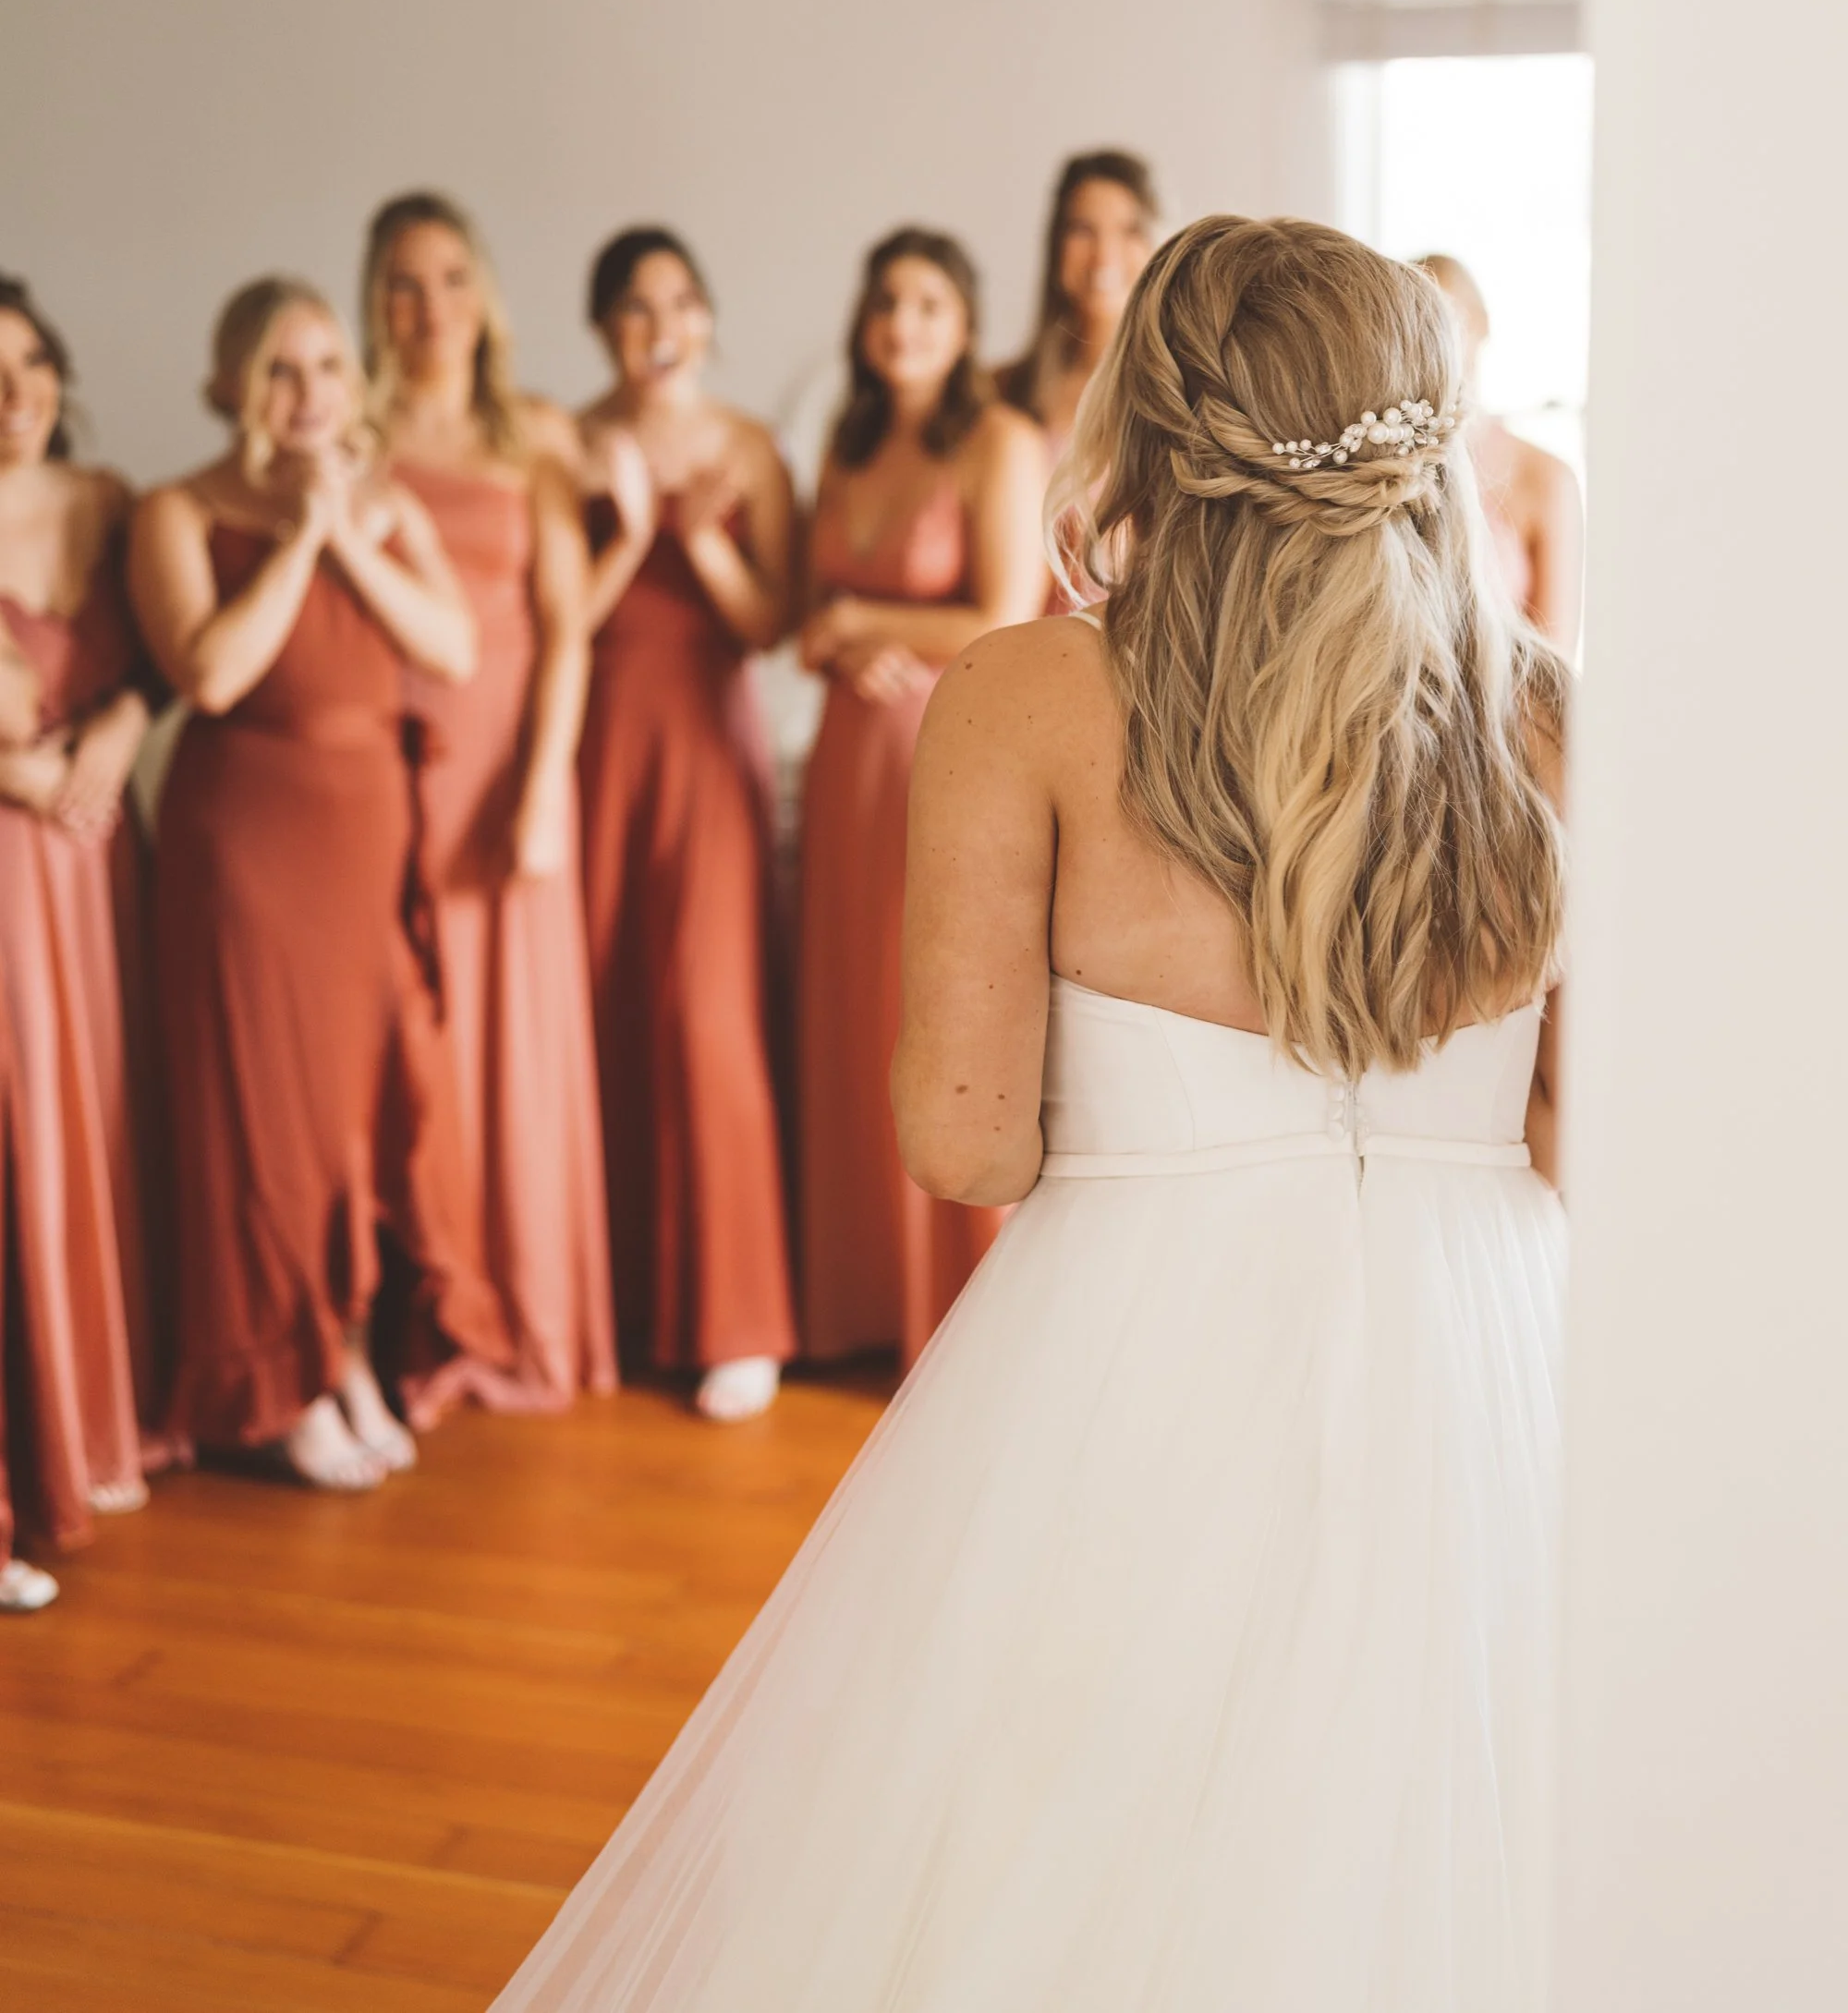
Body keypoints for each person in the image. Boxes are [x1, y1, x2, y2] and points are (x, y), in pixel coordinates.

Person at [489, 216, 1569, 2012]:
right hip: (1486, 1359)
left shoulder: (1022, 694)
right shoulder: (1548, 717)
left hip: (1142, 1365)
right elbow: (1584, 1132)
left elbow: (967, 1141)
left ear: (1151, 414)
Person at [131, 278, 508, 1491]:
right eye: (281, 371)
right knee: (268, 1120)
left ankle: (345, 1353)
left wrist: (349, 527)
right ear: (235, 385)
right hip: (245, 841)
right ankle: (276, 1378)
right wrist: (300, 534)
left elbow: (451, 650)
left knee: (355, 1120)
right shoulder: (178, 512)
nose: (309, 394)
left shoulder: (385, 506)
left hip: (368, 839)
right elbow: (215, 674)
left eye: (328, 368)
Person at [361, 192, 615, 1419]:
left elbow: (569, 629)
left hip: (508, 762)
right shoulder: (349, 435)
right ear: (374, 301)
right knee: (411, 1053)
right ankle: (428, 1315)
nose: (430, 308)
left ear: (484, 294)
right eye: (404, 284)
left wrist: (543, 786)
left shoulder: (535, 438)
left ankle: (524, 1314)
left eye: (451, 277)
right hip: (385, 764)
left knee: (511, 1046)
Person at [796, 227, 1048, 1371]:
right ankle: (859, 1298)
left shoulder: (998, 440)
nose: (903, 323)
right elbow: (810, 610)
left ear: (964, 326)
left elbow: (1003, 613)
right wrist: (836, 645)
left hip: (942, 748)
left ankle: (962, 1312)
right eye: (887, 300)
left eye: (930, 305)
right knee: (851, 1014)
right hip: (848, 750)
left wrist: (863, 625)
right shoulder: (845, 445)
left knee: (933, 1005)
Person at [577, 228, 798, 1423]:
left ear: (707, 316)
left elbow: (775, 620)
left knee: (710, 1016)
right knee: (603, 997)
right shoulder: (566, 441)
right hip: (597, 742)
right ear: (602, 326)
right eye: (632, 307)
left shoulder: (752, 449)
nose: (658, 327)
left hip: (709, 748)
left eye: (677, 302)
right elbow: (558, 613)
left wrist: (701, 537)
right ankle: (604, 1303)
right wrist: (623, 527)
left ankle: (738, 1317)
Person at [0, 275, 154, 1609]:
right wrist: (25, 784)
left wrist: (103, 746)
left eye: (31, 365)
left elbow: (153, 667)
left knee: (96, 1125)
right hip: (9, 862)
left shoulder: (106, 502)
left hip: (100, 863)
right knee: (20, 1144)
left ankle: (95, 1428)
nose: (14, 397)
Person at [1416, 252, 1584, 651]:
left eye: (1451, 321)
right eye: (1418, 324)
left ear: (1482, 326)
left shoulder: (1545, 476)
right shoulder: (1383, 468)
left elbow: (1554, 661)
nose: (1435, 340)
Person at [994, 149, 1161, 466]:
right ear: (1056, 244)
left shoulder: (1186, 391)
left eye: (1131, 231)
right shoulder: (1002, 390)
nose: (1104, 255)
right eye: (1083, 230)